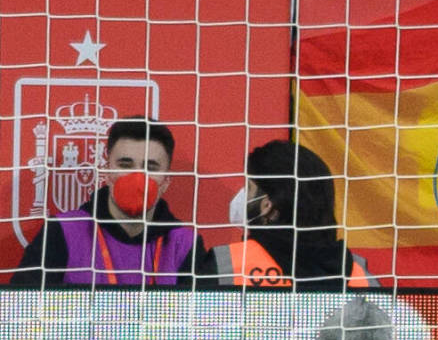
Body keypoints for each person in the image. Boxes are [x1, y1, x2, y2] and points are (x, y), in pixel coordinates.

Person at [13, 118, 204, 287]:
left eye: (150, 167)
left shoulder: (185, 244)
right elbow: (22, 314)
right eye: (125, 165)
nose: (137, 176)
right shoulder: (60, 232)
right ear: (106, 172)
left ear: (166, 182)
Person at [205, 141, 376, 289]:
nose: (242, 195)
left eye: (249, 188)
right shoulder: (358, 273)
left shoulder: (225, 264)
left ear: (267, 205)